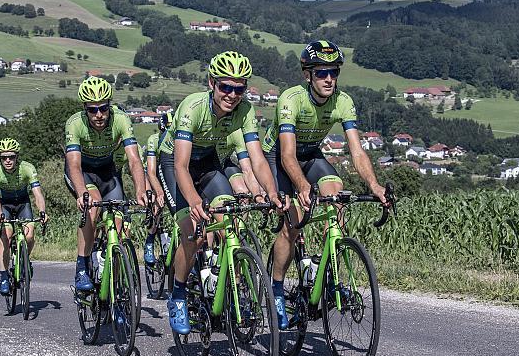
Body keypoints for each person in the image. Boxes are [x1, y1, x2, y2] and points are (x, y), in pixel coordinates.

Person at [158, 50, 287, 334]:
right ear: (211, 84)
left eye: (238, 88)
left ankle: (225, 283)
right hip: (174, 162)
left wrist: (273, 193)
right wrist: (192, 201)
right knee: (191, 234)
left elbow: (257, 159)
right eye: (225, 87)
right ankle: (178, 295)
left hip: (206, 162)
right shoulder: (193, 108)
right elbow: (180, 166)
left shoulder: (245, 111)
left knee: (230, 216)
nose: (232, 94)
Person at [263, 40, 389, 329]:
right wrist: (302, 186)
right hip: (280, 158)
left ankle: (325, 272)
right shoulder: (291, 100)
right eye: (321, 73)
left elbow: (357, 151)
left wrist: (374, 184)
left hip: (312, 156)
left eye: (333, 72)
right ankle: (278, 289)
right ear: (307, 75)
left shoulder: (343, 101)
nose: (329, 78)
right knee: (292, 225)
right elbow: (287, 155)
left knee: (337, 197)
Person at [64, 76, 147, 292]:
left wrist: (140, 189)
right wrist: (82, 192)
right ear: (85, 109)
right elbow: (73, 165)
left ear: (110, 105)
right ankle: (82, 266)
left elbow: (134, 160)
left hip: (109, 173)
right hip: (84, 173)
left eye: (103, 108)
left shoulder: (121, 119)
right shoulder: (75, 123)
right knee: (93, 208)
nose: (99, 115)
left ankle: (116, 291)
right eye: (93, 110)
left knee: (121, 229)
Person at [0, 138, 48, 295]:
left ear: (17, 157)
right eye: (4, 157)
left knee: (30, 234)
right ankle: (3, 276)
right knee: (5, 236)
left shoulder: (27, 168)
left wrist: (42, 211)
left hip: (23, 204)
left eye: (11, 157)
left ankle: (25, 261)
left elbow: (37, 194)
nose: (8, 160)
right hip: (5, 205)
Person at [143, 112, 171, 266]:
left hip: (171, 174)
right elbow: (150, 173)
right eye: (167, 127)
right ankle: (149, 241)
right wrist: (159, 192)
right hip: (154, 176)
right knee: (157, 205)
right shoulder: (154, 140)